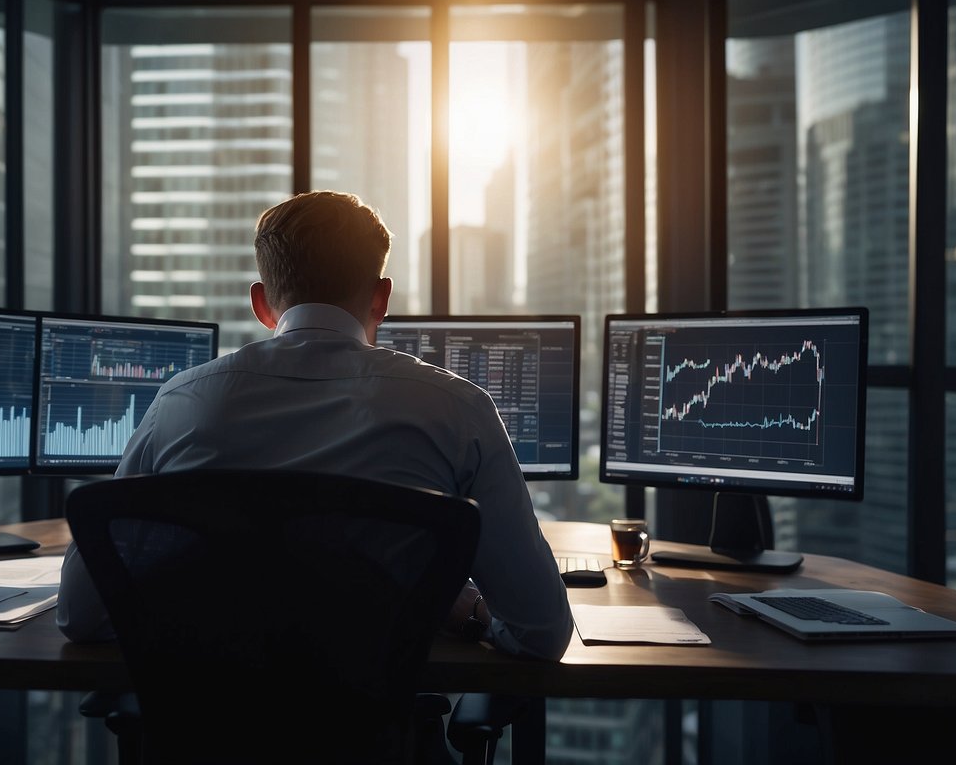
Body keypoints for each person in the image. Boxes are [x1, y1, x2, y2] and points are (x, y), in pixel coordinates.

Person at [57, 190, 572, 661]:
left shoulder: (179, 403)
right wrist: (468, 613)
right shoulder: (460, 409)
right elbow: (540, 632)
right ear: (381, 298)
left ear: (261, 304)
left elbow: (80, 615)